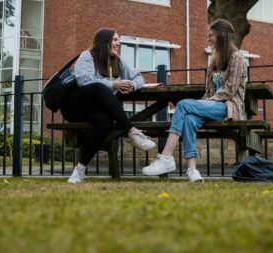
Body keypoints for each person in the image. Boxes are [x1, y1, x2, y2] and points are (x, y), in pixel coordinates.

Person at [142, 19, 247, 182]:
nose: (208, 38)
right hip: (212, 105)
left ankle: (166, 157)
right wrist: (204, 103)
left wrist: (207, 103)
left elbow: (229, 90)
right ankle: (192, 170)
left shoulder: (237, 58)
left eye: (211, 35)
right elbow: (209, 91)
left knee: (183, 105)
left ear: (222, 35)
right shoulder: (214, 62)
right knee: (189, 119)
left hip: (228, 107)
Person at [61, 27, 156, 183]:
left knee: (104, 121)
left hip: (96, 109)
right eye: (115, 39)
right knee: (99, 87)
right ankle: (132, 131)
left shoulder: (117, 61)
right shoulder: (87, 56)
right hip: (76, 106)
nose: (118, 43)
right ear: (104, 41)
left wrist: (132, 85)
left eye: (119, 40)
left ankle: (80, 169)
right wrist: (114, 84)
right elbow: (84, 80)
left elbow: (140, 78)